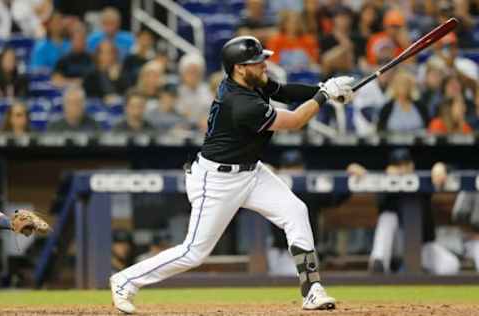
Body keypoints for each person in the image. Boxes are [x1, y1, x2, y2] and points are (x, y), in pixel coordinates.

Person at [110, 35, 354, 313]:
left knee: (296, 211)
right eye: (257, 61)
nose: (265, 64)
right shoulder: (240, 103)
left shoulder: (253, 81)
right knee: (194, 252)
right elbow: (296, 120)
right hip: (217, 181)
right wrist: (325, 96)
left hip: (252, 172)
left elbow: (285, 92)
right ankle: (125, 280)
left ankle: (312, 289)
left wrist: (322, 88)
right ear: (239, 67)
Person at [368, 148, 460, 275]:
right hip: (395, 246)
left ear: (412, 166)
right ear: (390, 168)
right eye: (397, 166)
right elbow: (381, 201)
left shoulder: (422, 182)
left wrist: (442, 167)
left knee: (451, 266)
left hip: (421, 246)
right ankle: (379, 262)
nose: (401, 169)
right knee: (388, 217)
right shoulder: (385, 185)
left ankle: (420, 274)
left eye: (405, 165)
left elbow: (455, 170)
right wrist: (390, 179)